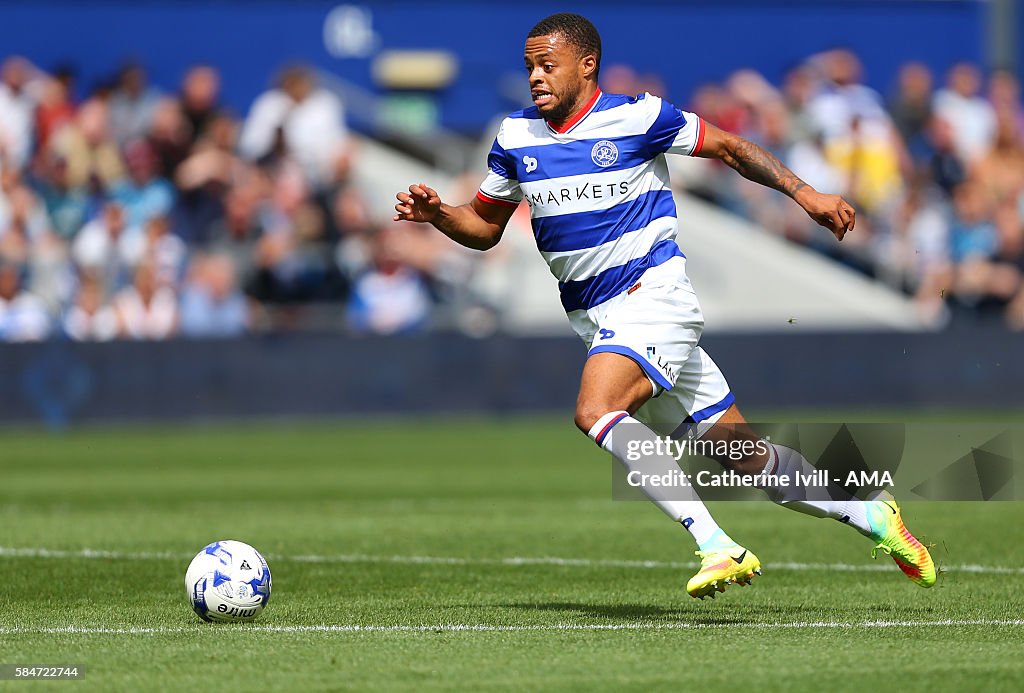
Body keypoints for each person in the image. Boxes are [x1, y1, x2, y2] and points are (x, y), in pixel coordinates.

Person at [394, 13, 936, 599]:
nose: (535, 77)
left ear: (586, 65)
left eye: (547, 65)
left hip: (653, 297)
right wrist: (440, 215)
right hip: (596, 318)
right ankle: (872, 516)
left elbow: (730, 147)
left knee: (595, 411)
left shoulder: (639, 116)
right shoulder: (515, 136)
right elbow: (485, 228)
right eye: (529, 66)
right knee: (746, 458)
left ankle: (716, 544)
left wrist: (805, 194)